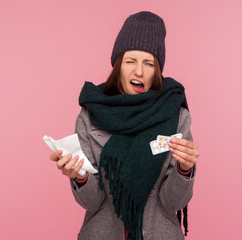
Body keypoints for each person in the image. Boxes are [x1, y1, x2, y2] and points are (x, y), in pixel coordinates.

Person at [49, 11, 199, 240]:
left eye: (148, 63)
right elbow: (92, 201)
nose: (139, 71)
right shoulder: (91, 114)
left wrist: (184, 169)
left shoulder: (175, 114)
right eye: (130, 61)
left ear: (157, 70)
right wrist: (79, 176)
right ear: (118, 65)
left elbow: (173, 203)